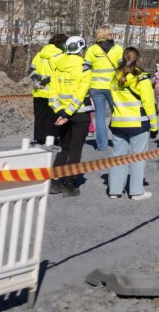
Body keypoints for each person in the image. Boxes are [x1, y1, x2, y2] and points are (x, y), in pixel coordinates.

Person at [107, 47, 157, 200]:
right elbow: (148, 103)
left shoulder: (115, 76)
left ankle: (114, 190)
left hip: (118, 122)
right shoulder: (141, 78)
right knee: (137, 157)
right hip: (138, 123)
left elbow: (112, 99)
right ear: (138, 59)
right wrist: (154, 125)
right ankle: (136, 191)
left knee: (118, 156)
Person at [49, 36, 93, 196]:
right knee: (75, 149)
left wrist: (60, 110)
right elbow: (80, 94)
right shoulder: (85, 68)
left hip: (61, 114)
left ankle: (54, 182)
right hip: (79, 113)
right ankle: (69, 183)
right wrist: (68, 112)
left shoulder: (57, 66)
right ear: (81, 50)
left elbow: (52, 92)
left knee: (64, 147)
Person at [85, 25, 123, 151]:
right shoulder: (118, 49)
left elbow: (85, 69)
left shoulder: (91, 50)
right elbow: (123, 68)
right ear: (109, 34)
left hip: (96, 87)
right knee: (117, 113)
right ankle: (119, 142)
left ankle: (102, 144)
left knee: (100, 116)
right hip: (113, 87)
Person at [29, 33, 67, 145]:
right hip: (52, 91)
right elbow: (59, 73)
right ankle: (51, 139)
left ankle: (40, 138)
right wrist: (45, 81)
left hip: (38, 91)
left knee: (40, 116)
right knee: (52, 117)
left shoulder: (39, 55)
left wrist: (38, 81)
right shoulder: (60, 56)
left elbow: (31, 70)